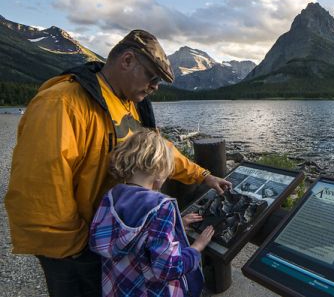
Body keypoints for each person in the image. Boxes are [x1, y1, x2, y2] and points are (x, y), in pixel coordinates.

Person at [4, 29, 231, 297]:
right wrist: (76, 249)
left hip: (105, 238)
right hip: (75, 251)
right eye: (152, 76)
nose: (155, 87)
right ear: (127, 61)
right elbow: (40, 187)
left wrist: (203, 175)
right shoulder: (62, 102)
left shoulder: (130, 104)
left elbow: (158, 152)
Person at [89, 129, 212, 297]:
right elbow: (168, 269)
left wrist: (177, 225)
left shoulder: (111, 196)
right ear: (160, 169)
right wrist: (196, 248)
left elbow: (132, 235)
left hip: (118, 288)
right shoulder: (161, 207)